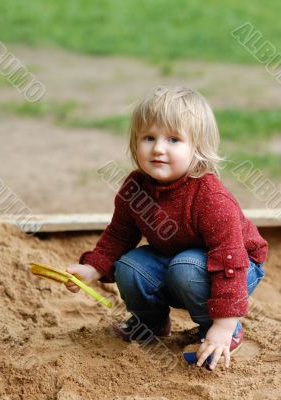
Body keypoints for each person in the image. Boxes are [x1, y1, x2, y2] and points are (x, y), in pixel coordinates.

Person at [65, 86, 268, 370]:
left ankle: (217, 329)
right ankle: (150, 322)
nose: (158, 148)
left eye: (173, 139)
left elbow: (228, 260)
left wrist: (223, 325)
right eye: (149, 137)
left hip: (238, 266)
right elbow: (119, 235)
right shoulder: (136, 187)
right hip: (176, 262)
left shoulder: (210, 197)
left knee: (186, 266)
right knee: (130, 265)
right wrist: (92, 268)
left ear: (197, 149)